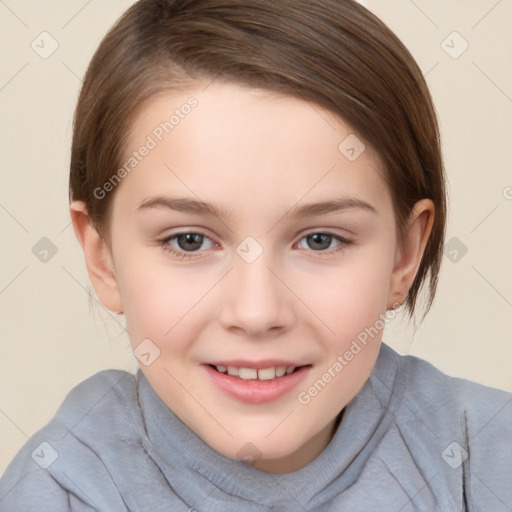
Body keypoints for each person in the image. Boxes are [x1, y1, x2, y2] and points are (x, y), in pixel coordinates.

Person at [1, 0, 510, 510]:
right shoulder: (62, 487)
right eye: (189, 240)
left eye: (320, 240)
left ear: (404, 254)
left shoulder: (483, 458)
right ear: (103, 258)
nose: (257, 311)